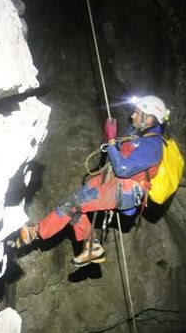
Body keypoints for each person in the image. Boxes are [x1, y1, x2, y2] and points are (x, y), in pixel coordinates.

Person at [17, 95, 169, 267]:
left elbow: (123, 169)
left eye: (137, 113)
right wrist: (112, 140)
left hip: (124, 190)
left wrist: (112, 142)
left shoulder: (152, 146)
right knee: (74, 207)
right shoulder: (140, 138)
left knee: (73, 203)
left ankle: (36, 232)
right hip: (112, 183)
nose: (132, 116)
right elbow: (121, 156)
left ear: (149, 118)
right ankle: (92, 247)